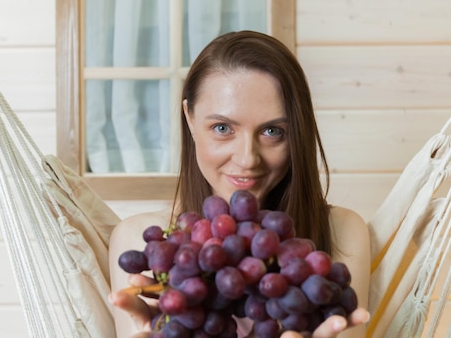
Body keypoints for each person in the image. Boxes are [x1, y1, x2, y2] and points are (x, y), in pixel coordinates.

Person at [108, 30, 371, 338]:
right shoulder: (138, 242)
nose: (248, 159)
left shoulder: (342, 231)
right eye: (222, 128)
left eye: (273, 132)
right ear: (190, 120)